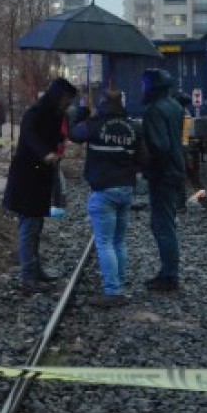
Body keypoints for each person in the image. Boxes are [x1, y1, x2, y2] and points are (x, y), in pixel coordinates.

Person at [69, 89, 145, 307]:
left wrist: (82, 109)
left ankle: (113, 291)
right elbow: (144, 158)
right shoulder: (134, 127)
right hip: (126, 189)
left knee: (104, 242)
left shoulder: (94, 126)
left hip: (103, 190)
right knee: (119, 241)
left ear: (102, 105)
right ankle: (118, 284)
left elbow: (73, 134)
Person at [2, 77, 78, 291]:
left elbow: (55, 136)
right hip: (27, 178)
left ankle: (35, 270)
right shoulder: (35, 113)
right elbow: (30, 136)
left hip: (40, 178)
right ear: (57, 96)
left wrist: (60, 144)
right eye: (66, 100)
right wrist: (46, 153)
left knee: (36, 226)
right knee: (29, 226)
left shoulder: (55, 115)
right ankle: (28, 276)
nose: (68, 104)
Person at [140, 68, 186, 292]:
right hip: (176, 170)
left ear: (151, 88)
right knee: (165, 223)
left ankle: (169, 276)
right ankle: (168, 272)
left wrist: (146, 164)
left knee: (162, 225)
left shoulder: (154, 111)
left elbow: (160, 146)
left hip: (163, 174)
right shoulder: (175, 107)